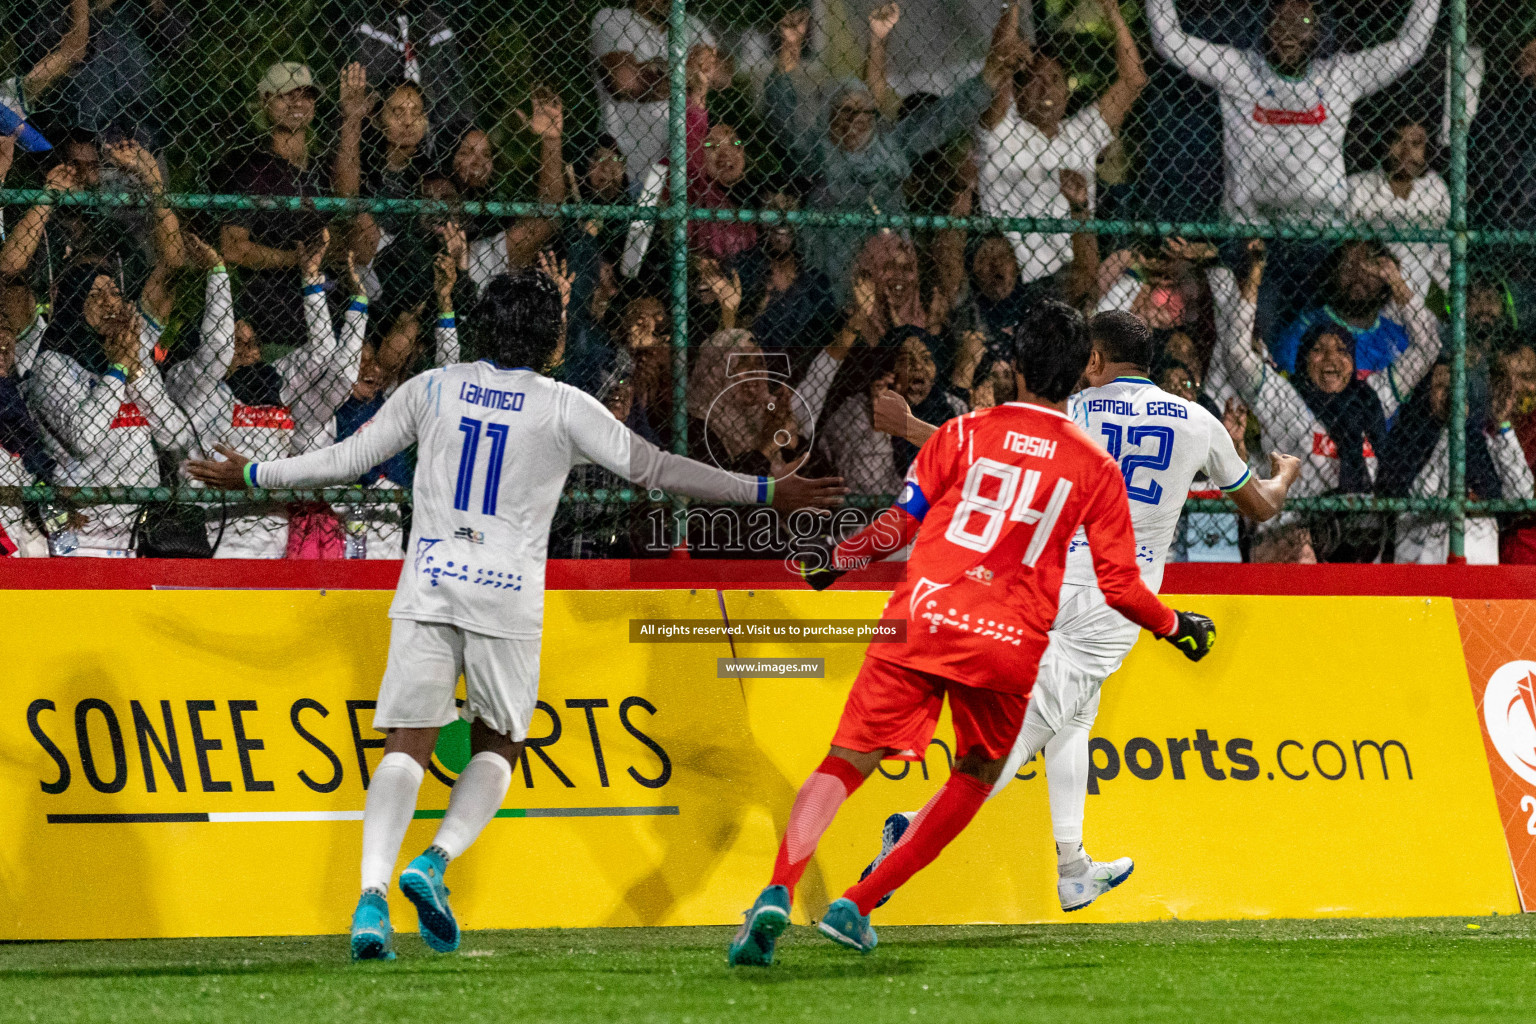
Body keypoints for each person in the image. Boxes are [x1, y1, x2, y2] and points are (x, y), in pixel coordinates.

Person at [184, 268, 846, 960]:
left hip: (430, 582)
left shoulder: (434, 388)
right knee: (499, 743)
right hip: (504, 593)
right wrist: (767, 489)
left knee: (406, 743)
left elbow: (346, 460)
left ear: (479, 329)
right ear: (552, 339)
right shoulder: (562, 404)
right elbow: (658, 468)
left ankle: (372, 898)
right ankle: (435, 860)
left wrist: (255, 474)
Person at [726, 300, 1217, 967]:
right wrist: (1178, 625)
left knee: (845, 761)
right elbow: (1121, 587)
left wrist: (835, 562)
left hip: (922, 617)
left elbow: (896, 529)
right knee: (975, 775)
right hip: (1007, 640)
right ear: (1082, 374)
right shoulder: (1094, 468)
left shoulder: (959, 435)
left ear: (1012, 369)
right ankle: (860, 903)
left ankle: (777, 892)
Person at [856, 310, 1297, 912]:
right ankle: (911, 828)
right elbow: (1261, 507)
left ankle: (1073, 866)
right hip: (1115, 599)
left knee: (1074, 719)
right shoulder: (1198, 421)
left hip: (1042, 579)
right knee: (1022, 732)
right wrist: (1285, 476)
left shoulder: (1073, 412)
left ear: (1092, 358)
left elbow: (987, 451)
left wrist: (909, 426)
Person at [765, 7, 1024, 300]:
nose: (854, 119)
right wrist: (789, 46)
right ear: (829, 121)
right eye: (845, 111)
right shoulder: (818, 151)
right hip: (833, 279)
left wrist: (988, 78)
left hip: (892, 275)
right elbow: (781, 111)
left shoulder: (891, 145)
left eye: (863, 111)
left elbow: (944, 118)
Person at [1212, 245, 1439, 561]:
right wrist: (1255, 276)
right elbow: (1237, 351)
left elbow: (1428, 347)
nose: (1331, 359)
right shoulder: (1286, 400)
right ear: (1304, 360)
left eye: (1342, 351)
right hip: (1292, 537)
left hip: (1358, 539)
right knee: (1305, 551)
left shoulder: (1373, 397)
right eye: (1319, 350)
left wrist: (1395, 280)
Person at [1147, 0, 1441, 225]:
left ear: (1316, 32)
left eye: (1301, 21)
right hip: (1252, 230)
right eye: (1280, 20)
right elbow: (1168, 40)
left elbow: (1410, 46)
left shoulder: (1341, 75)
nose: (1289, 30)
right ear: (1267, 28)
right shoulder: (1238, 69)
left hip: (1322, 232)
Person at [165, 232, 366, 558]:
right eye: (236, 343)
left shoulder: (273, 382)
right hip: (212, 535)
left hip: (275, 538)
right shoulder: (197, 387)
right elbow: (215, 350)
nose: (246, 350)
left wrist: (314, 282)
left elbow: (325, 358)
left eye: (251, 342)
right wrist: (217, 274)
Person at [24, 258, 191, 556]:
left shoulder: (132, 355)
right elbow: (85, 439)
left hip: (134, 534)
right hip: (79, 535)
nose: (108, 302)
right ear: (74, 304)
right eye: (93, 295)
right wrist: (117, 371)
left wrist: (135, 373)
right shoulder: (53, 364)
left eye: (114, 292)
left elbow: (175, 436)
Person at [976, 2, 1145, 288]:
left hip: (1076, 273)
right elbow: (1001, 63)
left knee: (1136, 277)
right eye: (1035, 80)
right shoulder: (1003, 132)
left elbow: (1134, 80)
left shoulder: (1082, 131)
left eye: (1055, 79)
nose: (1047, 89)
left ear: (1067, 88)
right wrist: (1013, 7)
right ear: (1017, 91)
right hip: (1018, 280)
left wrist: (1112, 11)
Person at [210, 62, 334, 350]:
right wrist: (295, 260)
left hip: (326, 315)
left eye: (306, 94)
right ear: (265, 101)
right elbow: (233, 246)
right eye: (285, 95)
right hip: (270, 315)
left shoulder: (321, 167)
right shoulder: (251, 167)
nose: (298, 102)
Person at [1378, 358, 1533, 564]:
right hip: (1422, 562)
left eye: (1458, 384)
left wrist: (1503, 424)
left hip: (1477, 564)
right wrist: (1452, 431)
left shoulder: (1483, 441)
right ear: (1426, 392)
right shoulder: (1407, 438)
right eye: (1441, 385)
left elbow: (1524, 495)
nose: (1452, 393)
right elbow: (1421, 499)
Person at [590, 0, 726, 179]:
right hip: (622, 166)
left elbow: (720, 75)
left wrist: (655, 69)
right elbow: (626, 82)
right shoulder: (612, 18)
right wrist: (689, 74)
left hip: (681, 168)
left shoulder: (690, 24)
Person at [1347, 116, 1450, 302]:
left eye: (1416, 144)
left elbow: (1444, 257)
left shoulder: (1435, 187)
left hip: (1417, 306)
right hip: (1369, 301)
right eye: (1398, 141)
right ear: (1385, 143)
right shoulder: (1359, 186)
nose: (1406, 153)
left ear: (1427, 150)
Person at [1271, 240, 1412, 376]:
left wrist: (1397, 283)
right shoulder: (1304, 331)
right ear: (1333, 274)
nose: (1358, 276)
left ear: (1385, 278)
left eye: (1369, 268)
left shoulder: (1397, 338)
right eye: (1348, 267)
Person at [347, 0, 472, 131]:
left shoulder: (435, 22)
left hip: (429, 127)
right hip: (375, 128)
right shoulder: (367, 20)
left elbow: (455, 90)